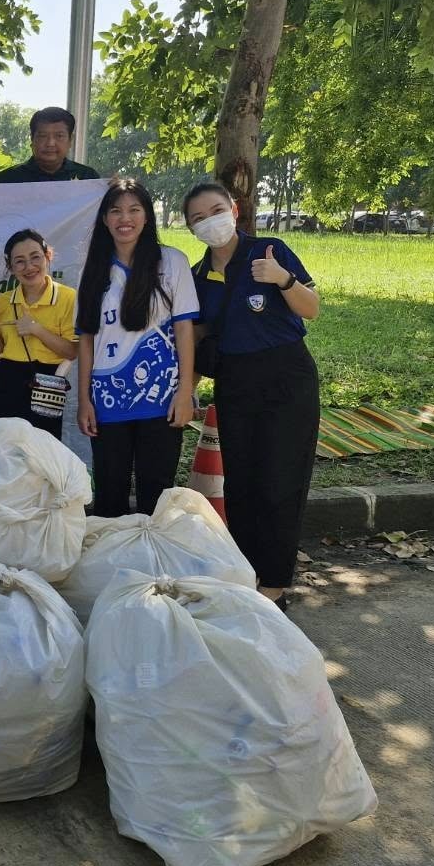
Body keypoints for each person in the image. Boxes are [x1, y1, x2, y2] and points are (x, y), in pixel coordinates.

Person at [183, 181, 321, 612]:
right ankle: (247, 573)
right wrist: (188, 388)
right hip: (235, 382)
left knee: (280, 480)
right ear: (190, 228)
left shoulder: (270, 251)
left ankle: (275, 585)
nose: (210, 222)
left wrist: (283, 279)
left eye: (216, 210)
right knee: (241, 483)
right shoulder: (198, 277)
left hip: (286, 378)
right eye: (198, 218)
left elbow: (311, 308)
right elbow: (200, 339)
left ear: (235, 210)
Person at [75, 178, 198, 517]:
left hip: (162, 400)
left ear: (147, 216)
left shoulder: (172, 262)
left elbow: (184, 330)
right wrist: (84, 400)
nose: (124, 218)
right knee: (109, 494)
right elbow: (86, 338)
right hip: (107, 400)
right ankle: (113, 553)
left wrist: (185, 392)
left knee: (157, 496)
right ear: (104, 219)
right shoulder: (93, 270)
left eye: (134, 210)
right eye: (115, 211)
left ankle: (155, 553)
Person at [0, 229, 79, 439]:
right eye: (19, 261)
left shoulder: (68, 297)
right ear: (10, 267)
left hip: (46, 384)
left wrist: (37, 329)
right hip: (6, 382)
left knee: (42, 450)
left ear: (48, 256)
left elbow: (72, 352)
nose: (29, 267)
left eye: (35, 257)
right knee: (0, 448)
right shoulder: (2, 301)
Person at [0, 107, 100, 183]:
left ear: (70, 140)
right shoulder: (6, 180)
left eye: (59, 136)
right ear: (32, 139)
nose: (50, 143)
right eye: (43, 136)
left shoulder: (88, 178)